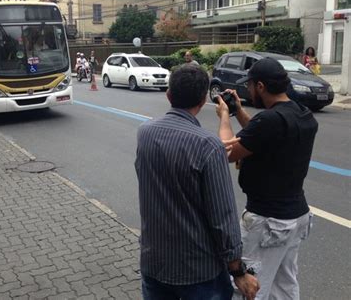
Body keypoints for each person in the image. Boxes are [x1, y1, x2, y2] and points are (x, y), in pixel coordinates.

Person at [135, 64, 259, 300]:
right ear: (203, 101)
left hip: (154, 261)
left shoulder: (145, 132)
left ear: (168, 95)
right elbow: (223, 216)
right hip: (199, 271)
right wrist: (238, 271)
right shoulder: (208, 146)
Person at [215, 58, 318, 300]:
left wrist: (224, 117)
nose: (248, 91)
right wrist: (239, 110)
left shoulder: (268, 121)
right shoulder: (302, 114)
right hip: (296, 218)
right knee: (284, 287)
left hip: (268, 222)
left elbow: (227, 152)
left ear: (260, 86)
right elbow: (259, 137)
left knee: (248, 288)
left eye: (249, 86)